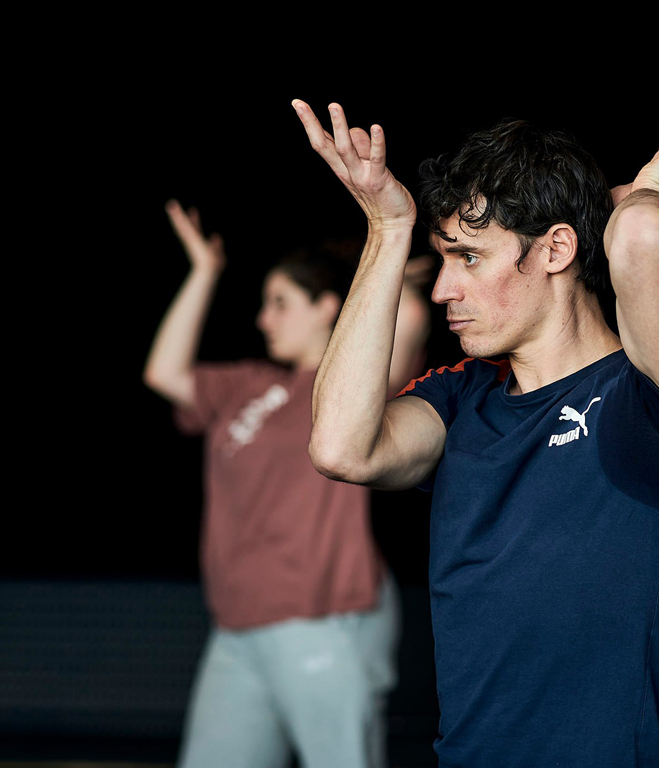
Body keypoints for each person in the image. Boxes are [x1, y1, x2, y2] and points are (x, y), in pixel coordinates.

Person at [290, 91, 659, 767]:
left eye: (469, 257)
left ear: (558, 248)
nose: (444, 289)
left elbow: (647, 240)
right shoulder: (459, 398)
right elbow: (339, 447)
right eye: (443, 258)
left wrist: (645, 196)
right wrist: (388, 230)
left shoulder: (651, 400)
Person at [143, 200, 430, 768]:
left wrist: (390, 253)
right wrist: (203, 271)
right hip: (236, 627)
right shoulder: (245, 384)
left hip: (323, 619)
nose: (263, 319)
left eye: (280, 303)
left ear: (327, 307)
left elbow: (411, 324)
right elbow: (164, 372)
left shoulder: (347, 388)